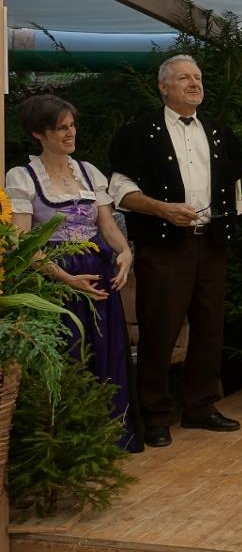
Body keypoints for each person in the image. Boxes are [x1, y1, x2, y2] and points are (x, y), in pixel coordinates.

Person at [109, 54, 242, 448]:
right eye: (184, 78)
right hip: (165, 246)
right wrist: (162, 210)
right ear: (163, 86)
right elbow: (119, 191)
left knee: (209, 328)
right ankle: (154, 415)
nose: (194, 83)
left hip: (213, 244)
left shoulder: (220, 132)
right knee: (160, 328)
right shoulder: (139, 133)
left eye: (198, 77)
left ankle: (201, 407)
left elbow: (234, 186)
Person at [5, 94, 140, 452]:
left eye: (72, 125)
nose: (70, 133)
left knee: (105, 351)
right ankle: (68, 447)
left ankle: (108, 437)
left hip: (98, 273)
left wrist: (125, 252)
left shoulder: (88, 172)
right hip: (54, 281)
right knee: (69, 355)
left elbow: (108, 226)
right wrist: (66, 279)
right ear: (39, 133)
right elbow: (22, 244)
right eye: (60, 128)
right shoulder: (22, 178)